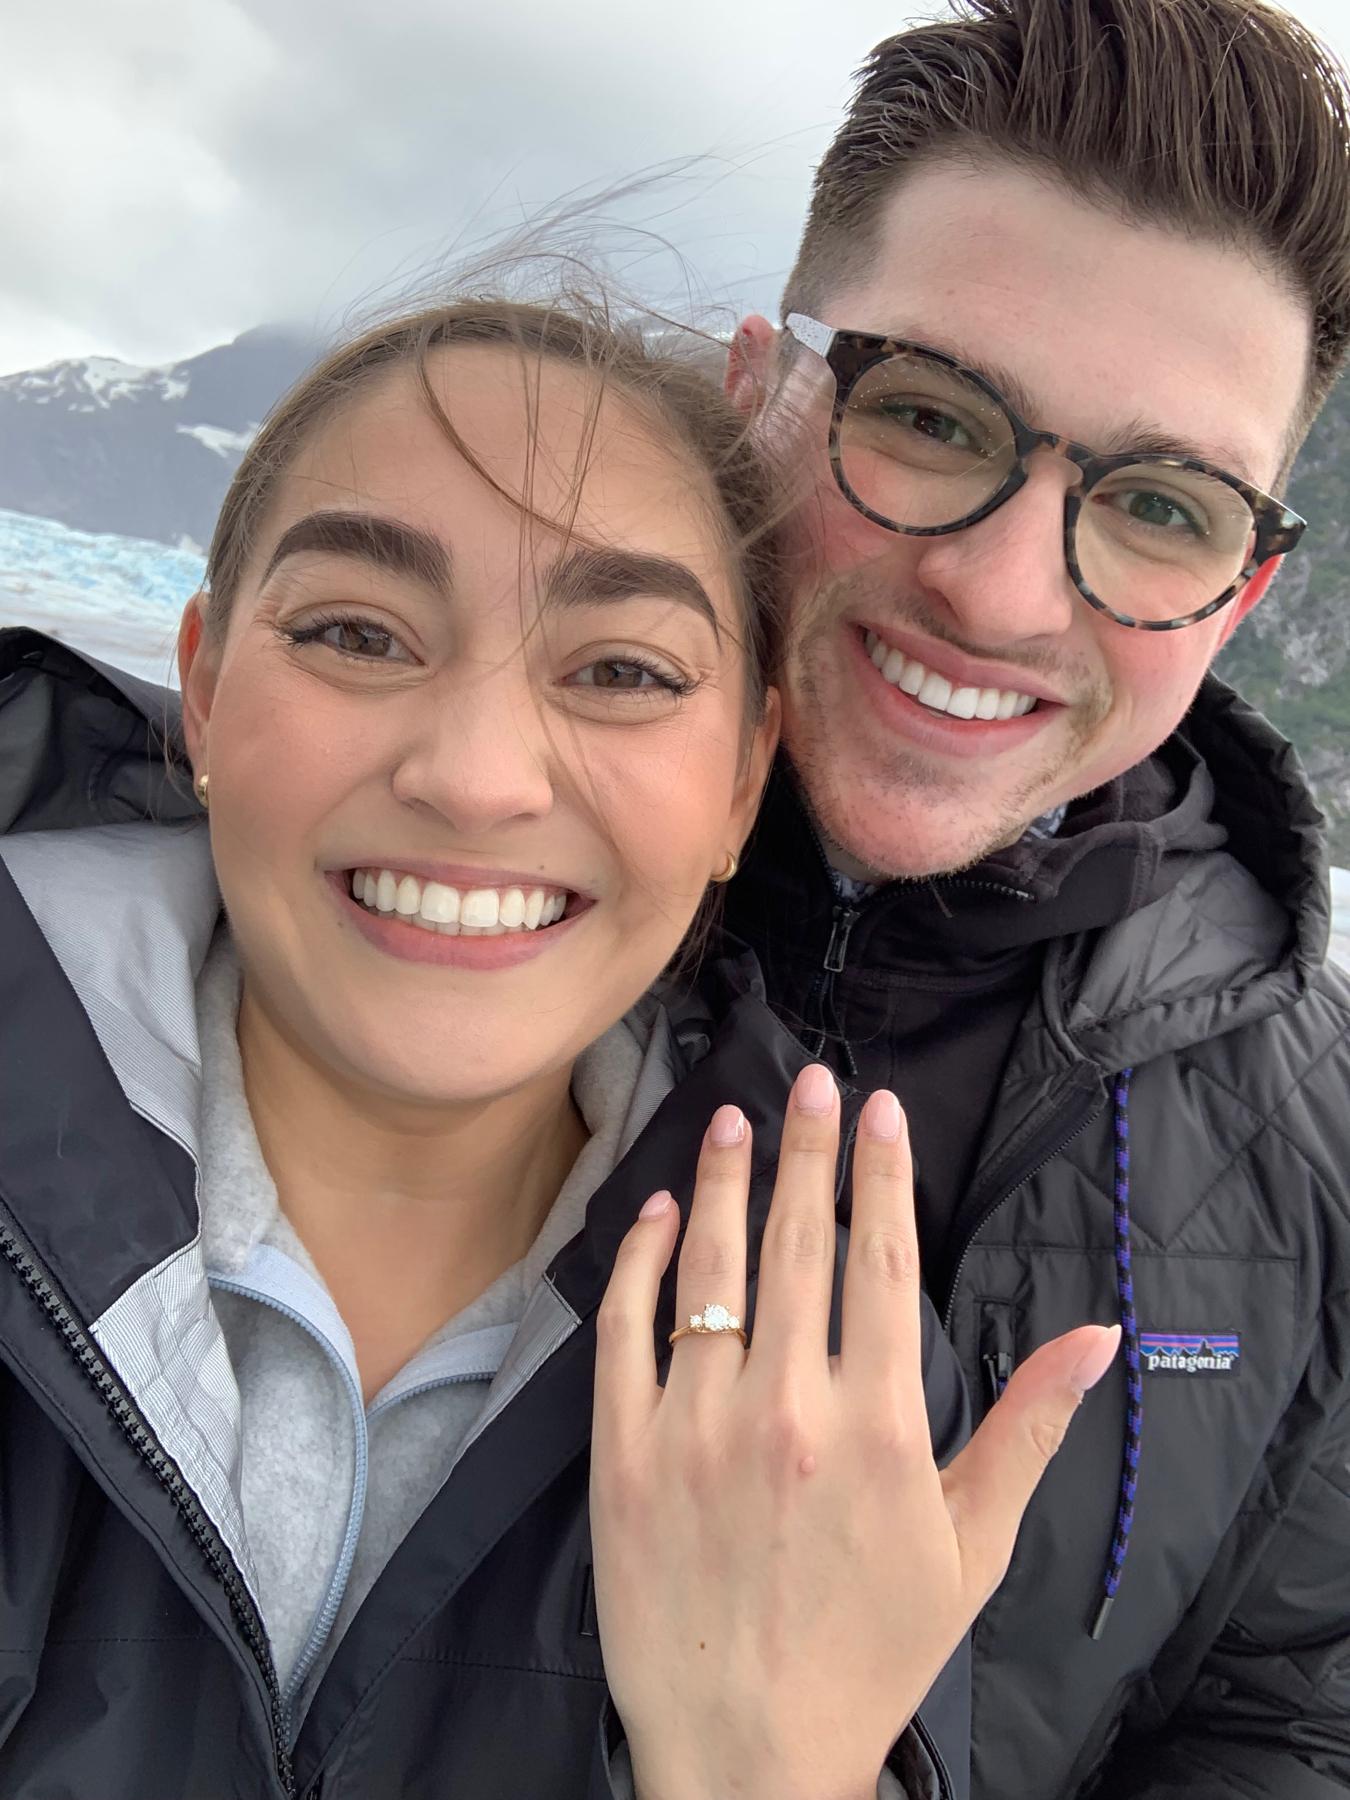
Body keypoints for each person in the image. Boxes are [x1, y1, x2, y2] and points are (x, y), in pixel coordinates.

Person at [0, 296, 1116, 1799]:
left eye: (623, 671)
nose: (474, 778)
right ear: (202, 687)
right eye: (356, 634)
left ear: (743, 780)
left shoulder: (830, 1384)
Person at [718, 0, 1350, 1794]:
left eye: (1161, 506)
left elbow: (1285, 1713)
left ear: (1236, 597)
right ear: (753, 393)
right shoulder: (397, 901)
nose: (999, 596)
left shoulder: (1320, 1134)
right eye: (927, 415)